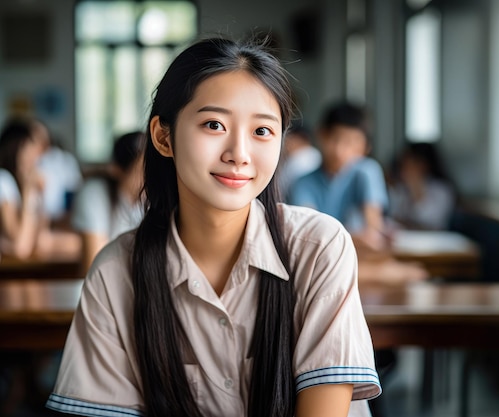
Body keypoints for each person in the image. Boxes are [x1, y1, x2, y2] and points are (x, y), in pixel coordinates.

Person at [46, 37, 380, 417]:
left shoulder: (319, 246)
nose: (238, 153)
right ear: (163, 137)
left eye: (262, 131)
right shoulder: (116, 271)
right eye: (214, 124)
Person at [288, 101, 427, 284]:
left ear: (365, 147)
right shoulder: (303, 184)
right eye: (335, 139)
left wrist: (352, 240)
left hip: (347, 263)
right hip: (329, 264)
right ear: (321, 135)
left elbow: (373, 233)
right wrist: (358, 241)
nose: (340, 150)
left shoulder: (366, 171)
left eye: (351, 142)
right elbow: (311, 242)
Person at [0, 117, 80, 259]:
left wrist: (39, 195)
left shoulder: (25, 182)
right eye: (29, 148)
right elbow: (21, 247)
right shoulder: (4, 180)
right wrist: (28, 191)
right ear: (15, 149)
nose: (35, 156)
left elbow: (40, 235)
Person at [71, 131, 145, 275]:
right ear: (116, 170)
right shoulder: (94, 194)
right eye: (142, 169)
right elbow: (93, 266)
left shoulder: (157, 199)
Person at [387, 141, 457, 230]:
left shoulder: (441, 190)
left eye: (411, 164)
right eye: (404, 164)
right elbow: (394, 218)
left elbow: (432, 222)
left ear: (424, 164)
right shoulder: (401, 189)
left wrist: (416, 188)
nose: (405, 169)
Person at [31, 119, 83, 226]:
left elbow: (74, 193)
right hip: (35, 221)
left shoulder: (64, 160)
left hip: (63, 219)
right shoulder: (25, 165)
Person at [276, 122, 321, 198]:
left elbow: (279, 190)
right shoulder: (316, 154)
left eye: (288, 138)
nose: (285, 142)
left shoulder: (299, 158)